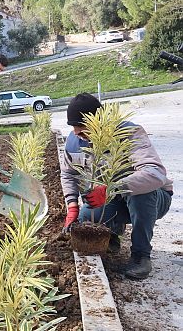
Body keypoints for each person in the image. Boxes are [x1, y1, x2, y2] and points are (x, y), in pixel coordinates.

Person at [60, 93, 173, 280]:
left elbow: (155, 174)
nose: (77, 134)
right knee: (86, 217)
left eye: (82, 129)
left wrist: (113, 189)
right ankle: (112, 234)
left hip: (153, 199)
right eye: (74, 129)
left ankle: (141, 256)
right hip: (114, 199)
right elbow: (68, 173)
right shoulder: (74, 141)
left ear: (99, 124)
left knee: (140, 194)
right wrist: (72, 204)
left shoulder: (129, 133)